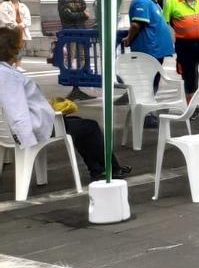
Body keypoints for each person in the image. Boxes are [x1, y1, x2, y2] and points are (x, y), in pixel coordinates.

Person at [0, 26, 130, 182]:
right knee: (89, 127)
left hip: (28, 123)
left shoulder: (6, 73)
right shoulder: (9, 77)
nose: (22, 49)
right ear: (11, 50)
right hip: (34, 127)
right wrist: (27, 141)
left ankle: (102, 169)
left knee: (80, 124)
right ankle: (106, 169)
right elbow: (17, 112)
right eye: (20, 47)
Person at [123, 0, 175, 125]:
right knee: (147, 83)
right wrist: (129, 38)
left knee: (153, 82)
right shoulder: (141, 1)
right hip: (149, 50)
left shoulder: (151, 1)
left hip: (155, 50)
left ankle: (148, 111)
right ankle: (145, 115)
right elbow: (135, 25)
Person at [56, 0, 90, 93]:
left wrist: (79, 15)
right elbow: (67, 16)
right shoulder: (62, 0)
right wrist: (81, 15)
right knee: (71, 57)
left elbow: (86, 15)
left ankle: (79, 82)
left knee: (82, 57)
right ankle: (73, 83)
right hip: (70, 33)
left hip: (81, 32)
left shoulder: (81, 1)